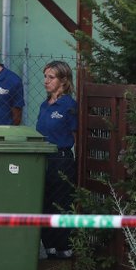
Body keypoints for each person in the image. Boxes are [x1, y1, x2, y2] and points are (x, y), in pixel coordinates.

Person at [36, 60, 78, 259]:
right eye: (45, 77)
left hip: (61, 159)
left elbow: (75, 134)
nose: (46, 81)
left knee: (61, 202)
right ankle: (49, 244)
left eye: (50, 77)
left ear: (63, 80)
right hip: (44, 158)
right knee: (45, 201)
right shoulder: (45, 105)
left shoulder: (69, 105)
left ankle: (64, 246)